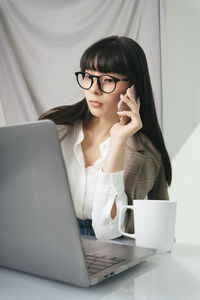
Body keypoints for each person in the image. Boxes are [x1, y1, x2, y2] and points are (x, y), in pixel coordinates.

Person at [39, 36, 172, 240]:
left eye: (108, 80)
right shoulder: (52, 128)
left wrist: (118, 141)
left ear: (133, 87)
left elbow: (106, 232)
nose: (93, 89)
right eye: (88, 77)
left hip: (111, 248)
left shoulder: (146, 155)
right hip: (49, 237)